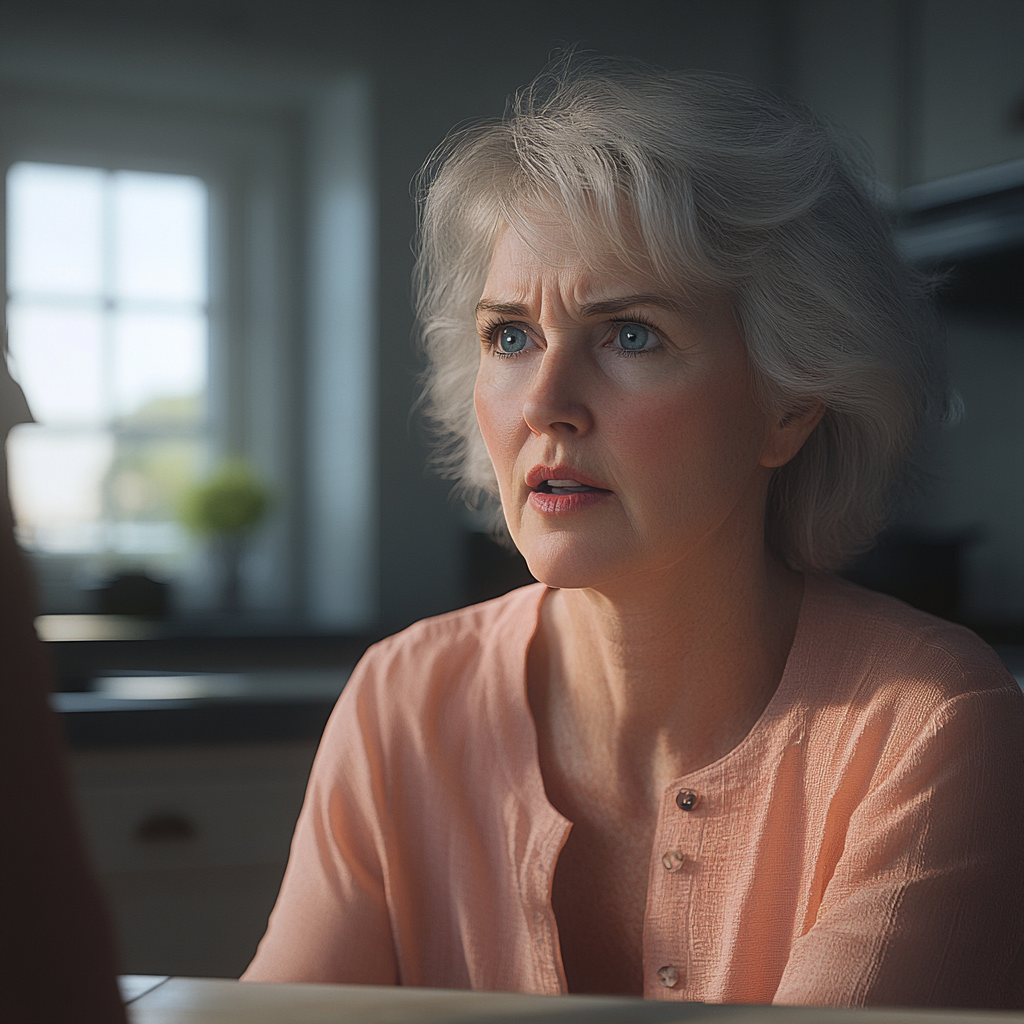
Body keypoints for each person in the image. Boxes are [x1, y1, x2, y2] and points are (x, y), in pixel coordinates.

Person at [243, 56, 1024, 1007]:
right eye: (510, 336)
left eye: (630, 335)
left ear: (788, 406)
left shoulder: (929, 727)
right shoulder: (403, 697)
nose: (545, 403)